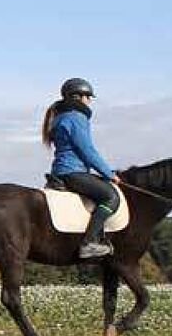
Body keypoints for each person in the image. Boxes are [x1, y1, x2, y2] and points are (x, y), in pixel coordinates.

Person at [42, 77, 121, 259]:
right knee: (111, 197)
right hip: (73, 171)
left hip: (62, 170)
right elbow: (87, 151)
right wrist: (109, 174)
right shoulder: (76, 118)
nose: (90, 101)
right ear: (78, 97)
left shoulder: (60, 117)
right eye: (88, 97)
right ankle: (90, 243)